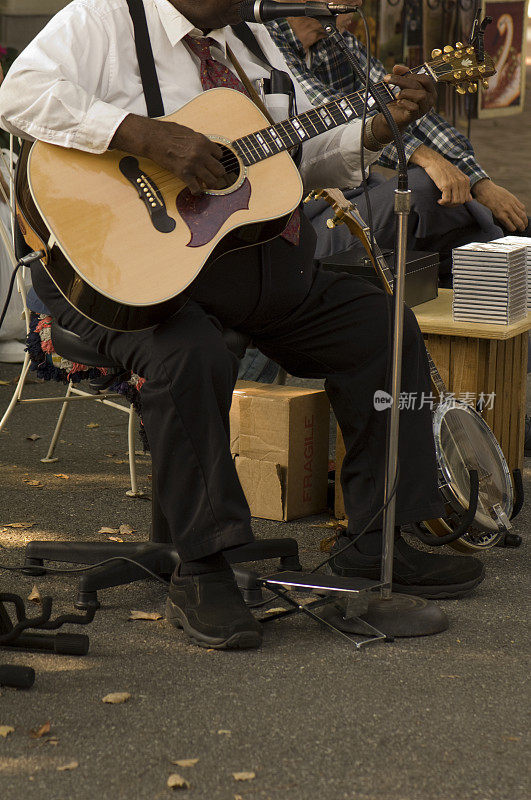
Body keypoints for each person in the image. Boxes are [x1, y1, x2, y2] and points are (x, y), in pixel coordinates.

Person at [0, 0, 484, 650]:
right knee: (189, 355)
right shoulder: (105, 18)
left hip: (245, 269)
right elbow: (19, 94)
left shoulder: (249, 45)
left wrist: (373, 130)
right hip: (117, 274)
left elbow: (284, 162)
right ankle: (200, 569)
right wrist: (143, 136)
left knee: (379, 324)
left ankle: (377, 538)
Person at [267, 13, 530, 278]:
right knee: (424, 188)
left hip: (360, 194)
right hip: (307, 222)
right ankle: (503, 231)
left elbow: (407, 112)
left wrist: (479, 182)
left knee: (468, 228)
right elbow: (332, 119)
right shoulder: (265, 41)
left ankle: (505, 244)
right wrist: (429, 159)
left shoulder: (337, 42)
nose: (359, 5)